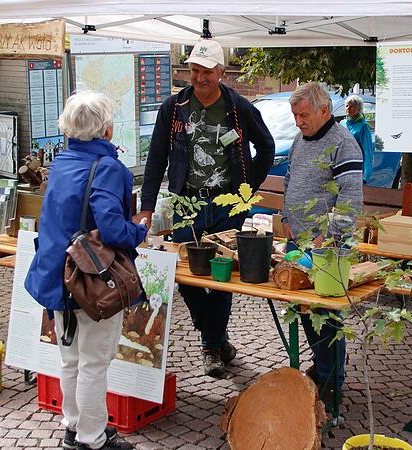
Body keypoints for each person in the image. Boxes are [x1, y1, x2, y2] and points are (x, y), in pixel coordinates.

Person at [134, 39, 275, 377]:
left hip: (228, 205)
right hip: (188, 204)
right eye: (194, 70)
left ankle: (211, 346)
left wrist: (246, 191)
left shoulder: (239, 107)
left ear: (221, 73)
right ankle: (215, 335)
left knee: (223, 275)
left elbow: (266, 146)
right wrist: (146, 207)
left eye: (206, 72)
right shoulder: (174, 107)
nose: (199, 78)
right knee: (188, 275)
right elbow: (155, 159)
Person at [25, 91, 146, 450]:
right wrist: (139, 231)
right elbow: (111, 228)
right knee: (94, 361)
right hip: (90, 279)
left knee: (71, 358)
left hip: (57, 275)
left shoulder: (62, 162)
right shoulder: (108, 168)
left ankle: (74, 425)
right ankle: (91, 439)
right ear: (107, 130)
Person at [281, 82, 364, 406]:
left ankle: (333, 381)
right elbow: (289, 179)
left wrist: (327, 237)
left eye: (304, 115)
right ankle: (325, 366)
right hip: (297, 241)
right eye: (295, 115)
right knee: (305, 312)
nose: (299, 121)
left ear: (324, 111)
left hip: (326, 248)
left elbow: (350, 199)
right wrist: (285, 215)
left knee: (326, 316)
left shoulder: (344, 143)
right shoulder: (300, 140)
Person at [341, 95, 374, 184]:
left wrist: (365, 177)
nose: (348, 108)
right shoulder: (342, 123)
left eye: (352, 106)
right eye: (347, 106)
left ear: (359, 109)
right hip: (343, 169)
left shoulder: (363, 127)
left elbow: (368, 152)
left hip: (356, 169)